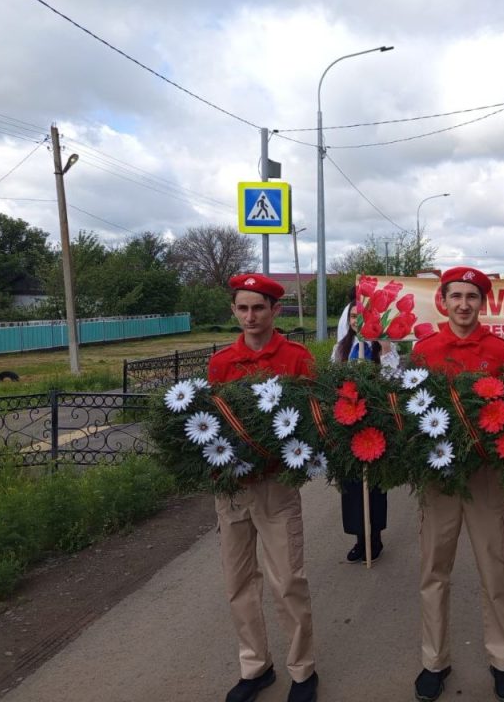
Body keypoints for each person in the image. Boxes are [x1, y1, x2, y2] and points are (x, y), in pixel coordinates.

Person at [409, 266, 504, 702]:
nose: (463, 304)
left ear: (482, 302)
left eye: (471, 297)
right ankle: (434, 661)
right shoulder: (425, 349)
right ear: (443, 300)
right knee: (434, 570)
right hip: (438, 479)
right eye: (455, 296)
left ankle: (502, 659)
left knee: (496, 569)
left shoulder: (501, 351)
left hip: (486, 478)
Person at [207, 273, 318, 702]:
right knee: (238, 581)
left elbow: (311, 419)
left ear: (276, 311)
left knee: (287, 579)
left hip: (276, 484)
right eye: (243, 308)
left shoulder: (296, 358)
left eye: (259, 308)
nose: (250, 316)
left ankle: (303, 670)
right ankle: (256, 666)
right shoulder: (221, 362)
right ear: (234, 311)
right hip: (231, 485)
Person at [332, 299, 399, 563]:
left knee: (374, 484)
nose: (356, 322)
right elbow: (332, 380)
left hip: (375, 424)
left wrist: (385, 352)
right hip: (348, 422)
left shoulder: (382, 346)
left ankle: (375, 537)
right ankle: (359, 538)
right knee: (351, 484)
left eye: (362, 317)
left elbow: (394, 382)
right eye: (352, 317)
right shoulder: (342, 348)